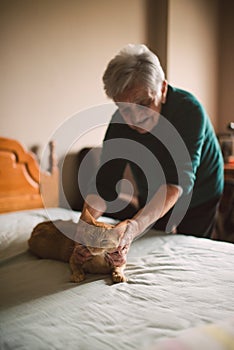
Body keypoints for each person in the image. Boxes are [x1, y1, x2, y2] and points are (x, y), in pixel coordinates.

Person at [75, 44, 224, 266]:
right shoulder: (120, 123)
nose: (135, 117)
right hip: (153, 188)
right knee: (151, 247)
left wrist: (134, 226)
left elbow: (176, 183)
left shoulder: (188, 110)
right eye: (125, 108)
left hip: (201, 190)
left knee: (190, 255)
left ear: (162, 89)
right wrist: (85, 226)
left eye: (144, 103)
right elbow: (103, 185)